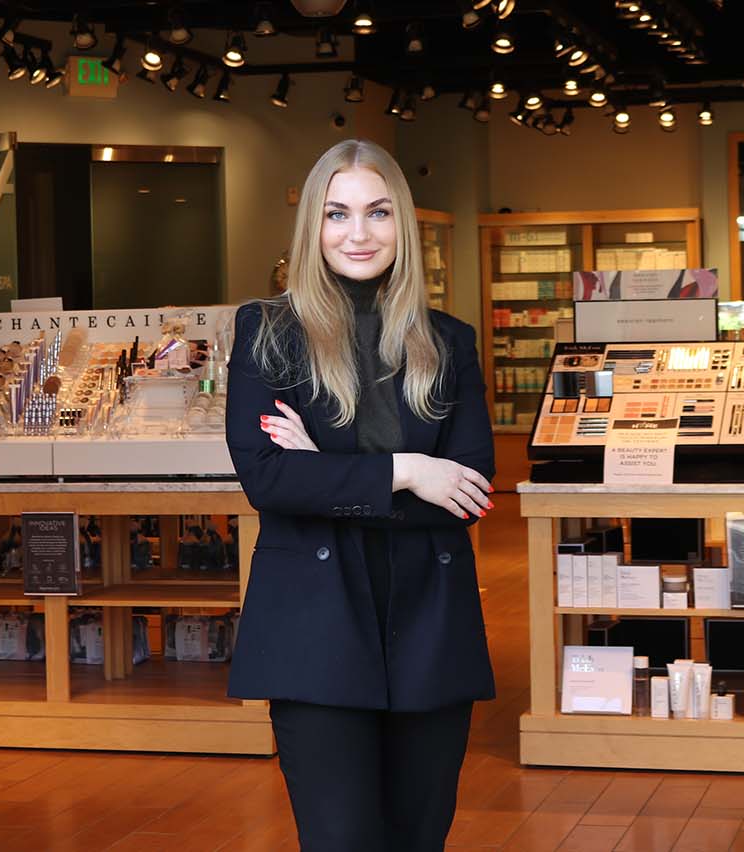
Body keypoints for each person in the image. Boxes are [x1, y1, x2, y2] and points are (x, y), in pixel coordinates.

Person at [224, 138, 497, 851]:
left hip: (430, 623)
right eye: (337, 213)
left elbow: (465, 491)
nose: (358, 233)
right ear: (312, 226)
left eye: (377, 213)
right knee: (340, 838)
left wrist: (329, 474)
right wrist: (407, 471)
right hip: (314, 625)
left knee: (418, 837)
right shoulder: (267, 334)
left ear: (401, 223)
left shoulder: (450, 342)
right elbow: (269, 478)